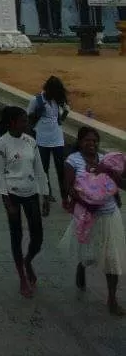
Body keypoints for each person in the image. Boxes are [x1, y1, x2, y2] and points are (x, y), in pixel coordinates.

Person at [62, 125, 126, 316]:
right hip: (87, 216)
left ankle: (112, 299)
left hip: (109, 215)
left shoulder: (107, 160)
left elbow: (122, 184)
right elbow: (69, 188)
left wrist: (111, 173)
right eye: (87, 140)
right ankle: (81, 267)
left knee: (112, 257)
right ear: (80, 142)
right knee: (87, 252)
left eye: (95, 140)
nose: (92, 144)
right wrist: (87, 203)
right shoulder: (72, 161)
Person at [0, 105, 49, 297]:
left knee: (38, 236)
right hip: (13, 195)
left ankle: (28, 261)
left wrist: (45, 195)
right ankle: (22, 278)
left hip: (31, 192)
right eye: (24, 120)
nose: (27, 123)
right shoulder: (2, 143)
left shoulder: (31, 141)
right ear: (13, 123)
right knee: (16, 236)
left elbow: (40, 170)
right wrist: (7, 202)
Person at [27, 75, 69, 201]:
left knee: (61, 168)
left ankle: (64, 195)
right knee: (44, 167)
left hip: (57, 138)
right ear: (48, 89)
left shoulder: (58, 100)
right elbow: (29, 116)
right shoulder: (36, 100)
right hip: (42, 138)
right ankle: (47, 193)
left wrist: (62, 116)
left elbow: (64, 115)